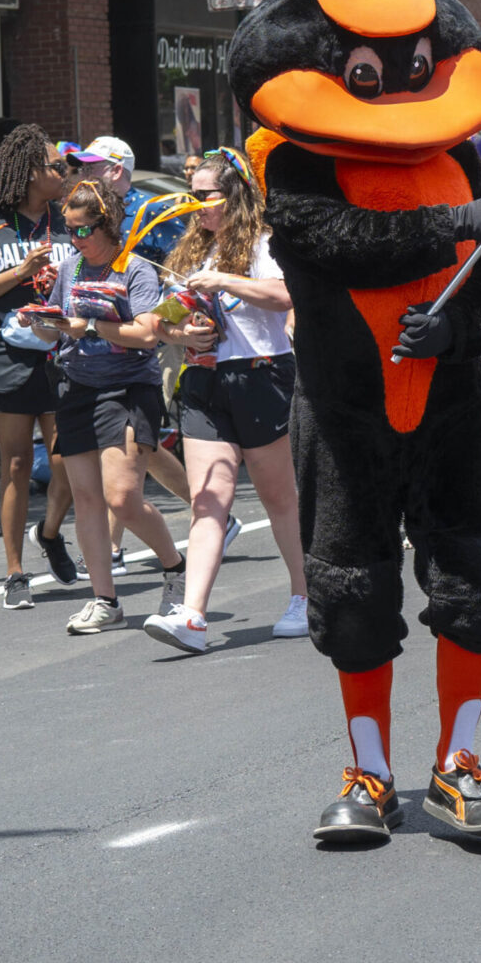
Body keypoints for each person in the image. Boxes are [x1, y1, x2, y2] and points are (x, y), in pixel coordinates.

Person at [228, 0, 481, 845]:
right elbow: (330, 245)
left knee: (471, 585)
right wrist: (454, 228)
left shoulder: (458, 159)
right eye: (367, 64)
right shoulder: (294, 159)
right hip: (346, 409)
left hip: (446, 407)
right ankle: (367, 774)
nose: (394, 78)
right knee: (353, 595)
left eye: (408, 57)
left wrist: (463, 327)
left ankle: (459, 766)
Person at [142, 147, 307, 654]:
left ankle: (306, 595)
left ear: (234, 195)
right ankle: (192, 615)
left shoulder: (261, 245)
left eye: (208, 195)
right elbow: (160, 321)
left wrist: (224, 280)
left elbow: (284, 296)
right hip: (204, 379)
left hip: (261, 374)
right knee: (208, 500)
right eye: (193, 196)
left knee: (279, 497)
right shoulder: (191, 251)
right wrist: (183, 331)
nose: (199, 206)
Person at [40, 179, 187, 634]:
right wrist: (44, 323)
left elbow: (146, 334)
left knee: (122, 498)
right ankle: (105, 599)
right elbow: (55, 328)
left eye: (82, 230)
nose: (74, 239)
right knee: (85, 498)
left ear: (108, 226)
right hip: (77, 387)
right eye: (68, 230)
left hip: (127, 389)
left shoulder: (136, 269)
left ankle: (176, 569)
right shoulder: (70, 268)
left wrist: (86, 327)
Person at [0, 125, 76, 610]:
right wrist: (22, 273)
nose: (65, 174)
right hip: (6, 360)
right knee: (16, 465)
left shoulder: (67, 220)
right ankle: (14, 572)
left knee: (70, 458)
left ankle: (49, 533)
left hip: (62, 357)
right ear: (31, 173)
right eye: (56, 167)